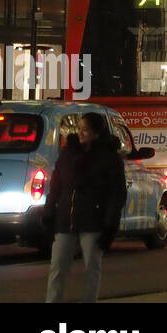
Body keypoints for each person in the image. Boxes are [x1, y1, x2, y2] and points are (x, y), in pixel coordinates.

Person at [43, 112, 126, 303]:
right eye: (79, 129)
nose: (80, 133)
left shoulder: (108, 158)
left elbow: (116, 194)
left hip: (93, 222)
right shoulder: (68, 154)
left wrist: (110, 225)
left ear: (96, 133)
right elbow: (56, 187)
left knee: (91, 269)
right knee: (57, 268)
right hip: (66, 220)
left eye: (85, 130)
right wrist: (49, 212)